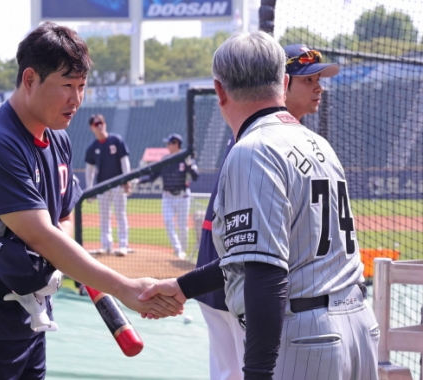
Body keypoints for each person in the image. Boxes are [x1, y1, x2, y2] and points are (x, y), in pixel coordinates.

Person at [0, 22, 182, 380]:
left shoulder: (57, 138)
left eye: (81, 87)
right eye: (66, 86)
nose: (76, 100)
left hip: (30, 317)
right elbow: (40, 235)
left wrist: (59, 255)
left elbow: (62, 217)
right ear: (30, 79)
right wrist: (123, 287)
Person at [140, 30, 379, 380]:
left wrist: (256, 374)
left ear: (219, 90)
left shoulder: (254, 150)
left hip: (310, 340)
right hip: (360, 327)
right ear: (283, 82)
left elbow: (265, 273)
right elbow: (269, 253)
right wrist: (183, 287)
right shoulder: (318, 143)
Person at [192, 42, 342, 380]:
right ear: (282, 82)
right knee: (232, 371)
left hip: (280, 298)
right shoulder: (264, 144)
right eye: (308, 79)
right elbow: (256, 256)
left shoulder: (270, 139)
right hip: (242, 285)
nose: (319, 86)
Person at [139, 133, 199, 259]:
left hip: (183, 196)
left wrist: (189, 164)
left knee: (182, 225)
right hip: (167, 196)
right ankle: (178, 249)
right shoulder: (165, 159)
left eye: (169, 143)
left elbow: (195, 176)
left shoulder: (185, 158)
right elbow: (153, 176)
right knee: (167, 222)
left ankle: (183, 250)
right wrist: (138, 181)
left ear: (176, 144)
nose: (167, 145)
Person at [85, 113, 131, 256]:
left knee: (120, 215)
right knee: (104, 216)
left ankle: (123, 245)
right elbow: (90, 170)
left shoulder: (116, 140)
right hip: (102, 187)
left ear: (104, 124)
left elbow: (125, 161)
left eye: (101, 123)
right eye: (96, 124)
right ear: (91, 128)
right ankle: (106, 245)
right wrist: (90, 189)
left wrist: (127, 180)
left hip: (118, 185)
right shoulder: (92, 147)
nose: (99, 126)